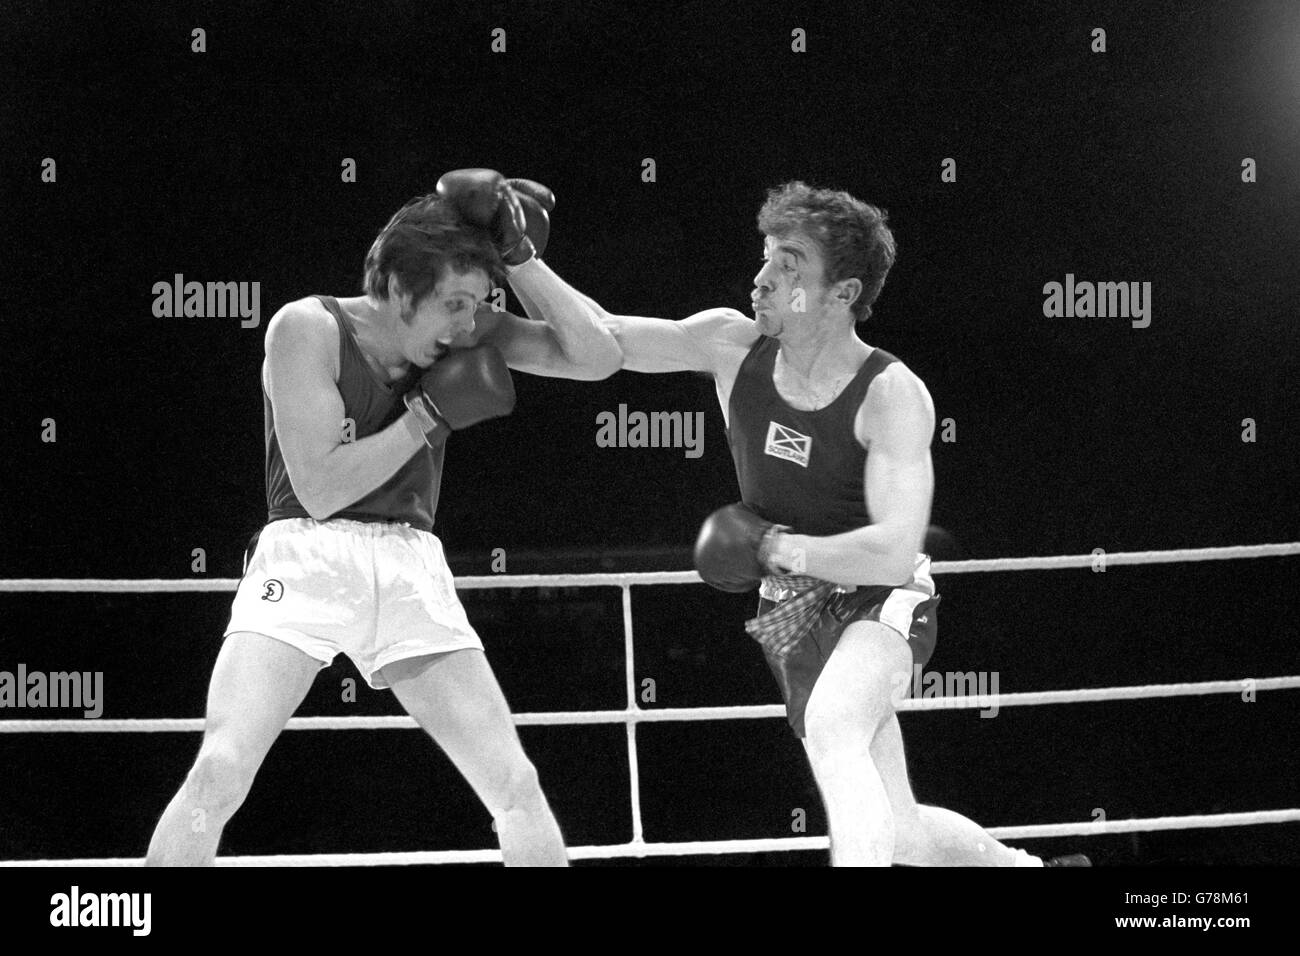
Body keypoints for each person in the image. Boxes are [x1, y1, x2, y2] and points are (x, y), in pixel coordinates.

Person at [575, 181, 1090, 867]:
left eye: (788, 265)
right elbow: (600, 340)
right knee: (896, 827)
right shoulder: (734, 347)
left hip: (883, 601)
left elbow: (891, 553)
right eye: (765, 258)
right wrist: (514, 261)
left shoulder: (891, 393)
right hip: (793, 611)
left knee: (834, 728)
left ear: (842, 292)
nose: (761, 279)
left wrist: (776, 547)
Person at [145, 170, 621, 866]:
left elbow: (598, 356)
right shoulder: (305, 328)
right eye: (454, 304)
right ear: (399, 289)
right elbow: (321, 490)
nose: (468, 324)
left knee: (516, 784)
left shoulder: (467, 330)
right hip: (307, 559)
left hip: (409, 563)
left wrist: (521, 259)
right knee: (221, 769)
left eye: (477, 304)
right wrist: (428, 415)